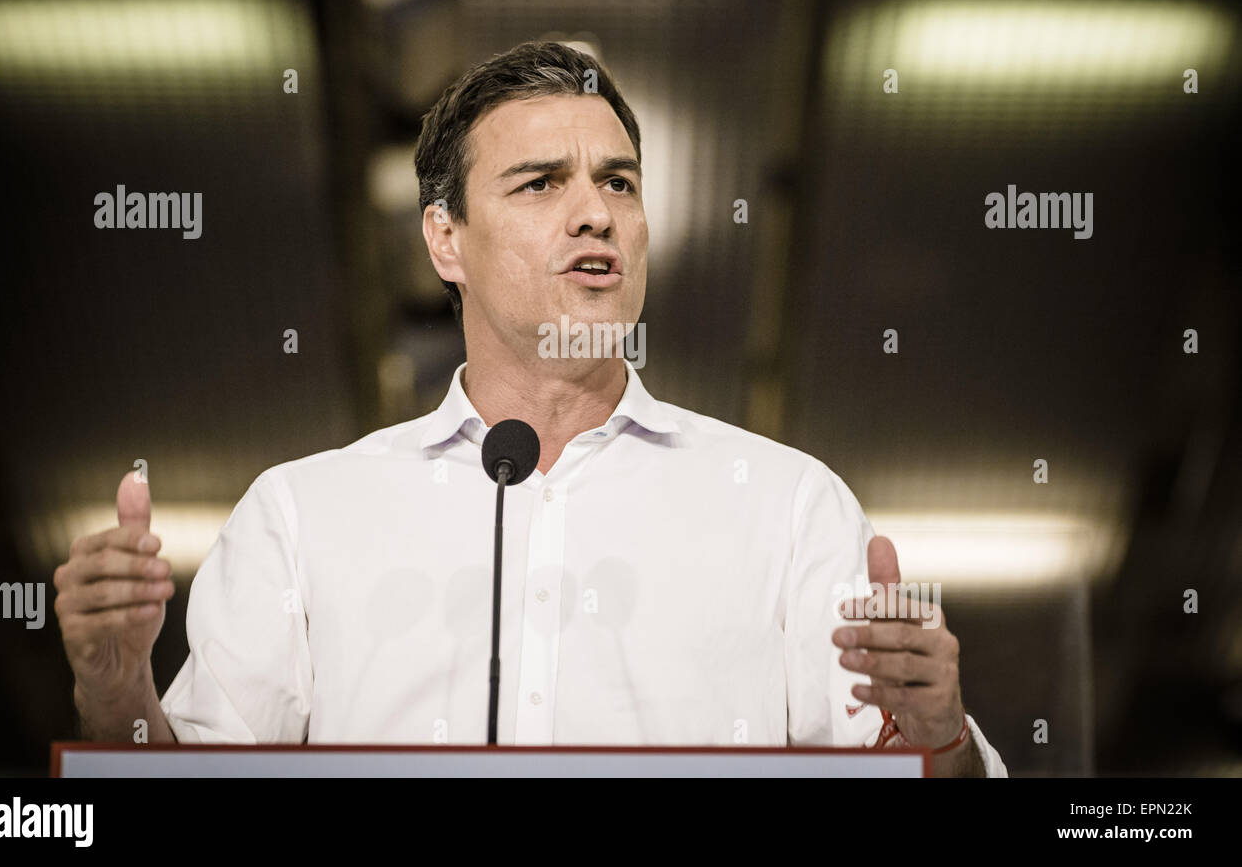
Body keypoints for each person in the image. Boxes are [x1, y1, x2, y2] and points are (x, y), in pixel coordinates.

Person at [55, 41, 1007, 776]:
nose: (594, 213)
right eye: (541, 182)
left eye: (619, 182)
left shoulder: (789, 507)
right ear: (445, 239)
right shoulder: (302, 518)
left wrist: (941, 740)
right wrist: (114, 690)